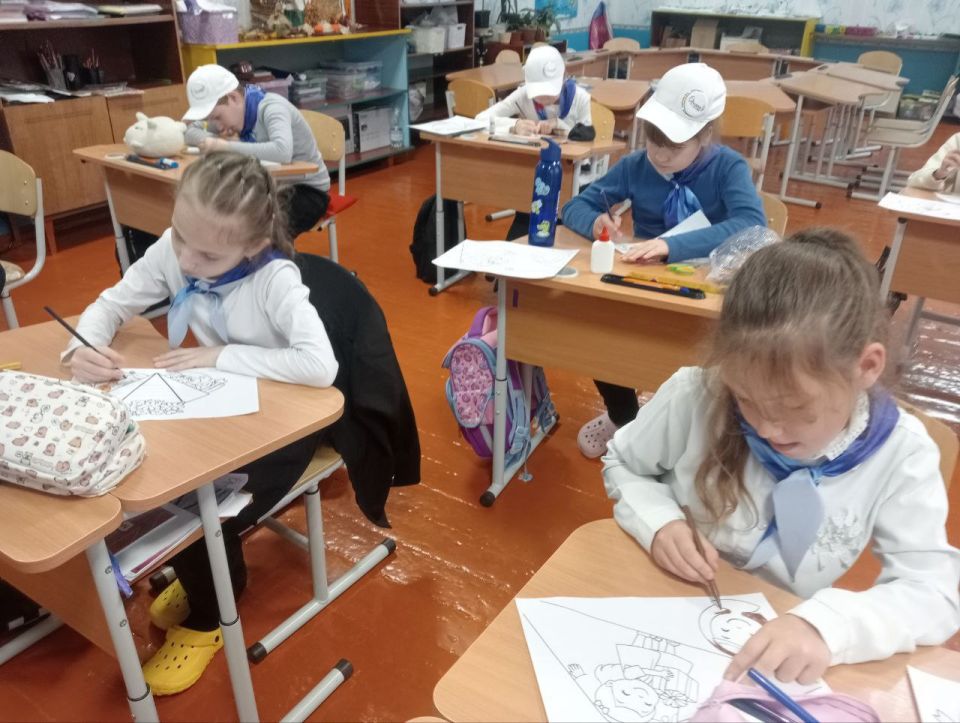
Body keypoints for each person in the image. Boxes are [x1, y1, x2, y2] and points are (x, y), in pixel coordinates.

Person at [602, 228, 960, 685]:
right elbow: (623, 463)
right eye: (746, 399)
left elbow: (933, 593)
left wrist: (826, 626)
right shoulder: (697, 394)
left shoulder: (901, 453)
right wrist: (658, 522)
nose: (767, 429)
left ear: (867, 367)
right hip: (668, 604)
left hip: (781, 649)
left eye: (796, 409)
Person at [61, 151, 338, 695]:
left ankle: (209, 618)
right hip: (222, 411)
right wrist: (83, 348)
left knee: (197, 498)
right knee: (160, 471)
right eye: (181, 238)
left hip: (288, 424)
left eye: (208, 255)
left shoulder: (274, 278)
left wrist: (220, 355)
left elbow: (319, 365)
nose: (186, 261)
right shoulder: (178, 247)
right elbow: (111, 305)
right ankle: (202, 574)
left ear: (252, 245)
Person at [561, 62, 767, 458]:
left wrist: (669, 246)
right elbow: (575, 206)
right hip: (643, 281)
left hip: (705, 289)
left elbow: (750, 223)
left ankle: (692, 429)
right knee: (597, 333)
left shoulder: (728, 167)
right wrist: (597, 223)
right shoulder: (637, 165)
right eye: (653, 140)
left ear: (705, 134)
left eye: (674, 146)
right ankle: (624, 416)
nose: (659, 154)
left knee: (700, 361)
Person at [183, 64, 331, 243]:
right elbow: (189, 132)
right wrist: (215, 141)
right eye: (211, 119)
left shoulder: (272, 107)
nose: (218, 126)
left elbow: (282, 151)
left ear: (233, 98)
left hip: (306, 191)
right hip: (267, 186)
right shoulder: (228, 115)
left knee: (259, 232)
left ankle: (278, 260)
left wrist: (225, 146)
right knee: (220, 215)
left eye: (217, 117)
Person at [476, 45, 596, 240]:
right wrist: (514, 125)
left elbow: (588, 135)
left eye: (550, 92)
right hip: (534, 176)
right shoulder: (523, 95)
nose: (545, 98)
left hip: (573, 177)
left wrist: (558, 124)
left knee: (561, 231)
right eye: (540, 93)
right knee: (523, 226)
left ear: (563, 77)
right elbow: (481, 119)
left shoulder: (580, 98)